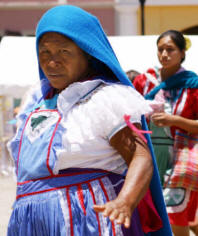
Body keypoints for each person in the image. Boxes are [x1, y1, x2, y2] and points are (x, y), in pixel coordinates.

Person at [7, 5, 172, 236]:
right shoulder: (38, 103)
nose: (52, 62)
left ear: (87, 54)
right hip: (33, 223)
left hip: (86, 221)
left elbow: (140, 156)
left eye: (64, 52)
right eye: (45, 52)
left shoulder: (103, 99)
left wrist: (125, 201)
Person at [133, 30, 198, 236]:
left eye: (170, 49)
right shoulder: (144, 81)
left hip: (179, 160)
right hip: (148, 158)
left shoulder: (193, 86)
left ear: (182, 53)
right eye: (160, 49)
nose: (164, 54)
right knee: (148, 217)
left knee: (175, 216)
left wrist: (174, 120)